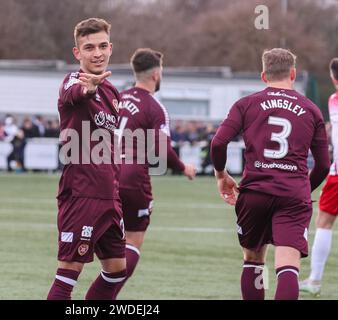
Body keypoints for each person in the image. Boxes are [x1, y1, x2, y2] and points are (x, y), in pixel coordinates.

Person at [210, 48, 330, 300]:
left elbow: (218, 143)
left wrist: (221, 174)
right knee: (288, 265)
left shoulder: (246, 104)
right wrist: (302, 190)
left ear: (263, 76)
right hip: (293, 195)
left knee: (253, 259)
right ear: (293, 74)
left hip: (255, 193)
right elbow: (322, 165)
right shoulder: (311, 109)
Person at [47, 18, 127, 300]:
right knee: (69, 271)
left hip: (108, 194)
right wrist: (88, 87)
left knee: (117, 268)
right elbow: (73, 93)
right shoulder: (74, 80)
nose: (97, 53)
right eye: (89, 47)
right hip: (81, 193)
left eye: (103, 46)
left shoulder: (113, 93)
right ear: (77, 53)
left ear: (111, 47)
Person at [114, 48, 196, 296]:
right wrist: (184, 168)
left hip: (104, 174)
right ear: (156, 74)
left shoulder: (115, 97)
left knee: (102, 238)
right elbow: (162, 151)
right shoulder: (155, 107)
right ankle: (104, 295)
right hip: (132, 177)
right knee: (132, 239)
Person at [299, 57, 338, 296]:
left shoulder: (334, 100)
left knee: (324, 222)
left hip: (337, 173)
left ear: (334, 79)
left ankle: (314, 279)